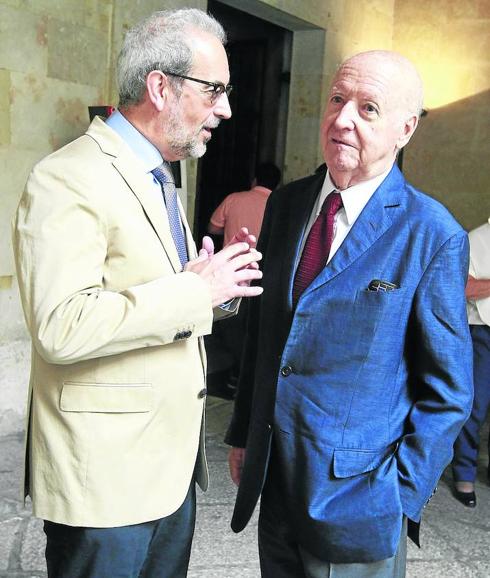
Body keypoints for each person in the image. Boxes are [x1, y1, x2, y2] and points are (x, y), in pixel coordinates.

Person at [12, 9, 263, 578]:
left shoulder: (158, 175)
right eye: (215, 90)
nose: (224, 109)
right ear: (160, 87)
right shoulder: (67, 176)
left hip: (168, 471)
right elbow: (61, 325)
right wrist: (190, 292)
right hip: (105, 481)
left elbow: (155, 297)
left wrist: (213, 288)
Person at [225, 50, 473, 577]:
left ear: (405, 129)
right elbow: (264, 336)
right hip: (275, 482)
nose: (342, 119)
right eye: (337, 100)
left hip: (360, 503)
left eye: (368, 109)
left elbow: (449, 389)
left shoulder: (431, 233)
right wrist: (245, 432)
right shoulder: (288, 204)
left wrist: (400, 493)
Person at [206, 163, 281, 397]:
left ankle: (228, 375)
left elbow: (212, 228)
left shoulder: (234, 198)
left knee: (228, 325)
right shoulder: (281, 204)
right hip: (267, 275)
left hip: (233, 274)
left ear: (254, 180)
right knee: (257, 328)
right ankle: (244, 377)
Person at [452, 218, 490, 508]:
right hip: (482, 332)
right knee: (474, 406)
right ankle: (464, 473)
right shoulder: (477, 238)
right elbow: (463, 287)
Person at [208, 162, 282, 245]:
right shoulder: (280, 206)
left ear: (254, 181)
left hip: (232, 256)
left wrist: (231, 230)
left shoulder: (232, 199)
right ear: (278, 186)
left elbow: (213, 229)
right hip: (262, 257)